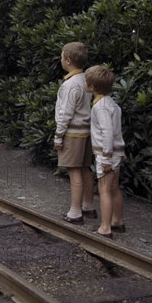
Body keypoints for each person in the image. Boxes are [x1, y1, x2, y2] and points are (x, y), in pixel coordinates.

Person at [54, 42, 96, 223]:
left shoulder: (70, 84)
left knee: (74, 170)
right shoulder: (87, 80)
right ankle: (88, 206)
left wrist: (58, 135)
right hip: (87, 131)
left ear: (68, 61)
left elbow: (65, 113)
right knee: (85, 168)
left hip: (72, 133)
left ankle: (75, 211)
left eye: (62, 57)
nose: (61, 60)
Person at [85, 65, 125, 238]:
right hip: (117, 151)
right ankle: (117, 221)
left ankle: (105, 227)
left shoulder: (99, 107)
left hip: (106, 154)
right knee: (114, 188)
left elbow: (108, 132)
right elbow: (117, 131)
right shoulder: (112, 103)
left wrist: (106, 157)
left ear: (92, 87)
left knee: (104, 190)